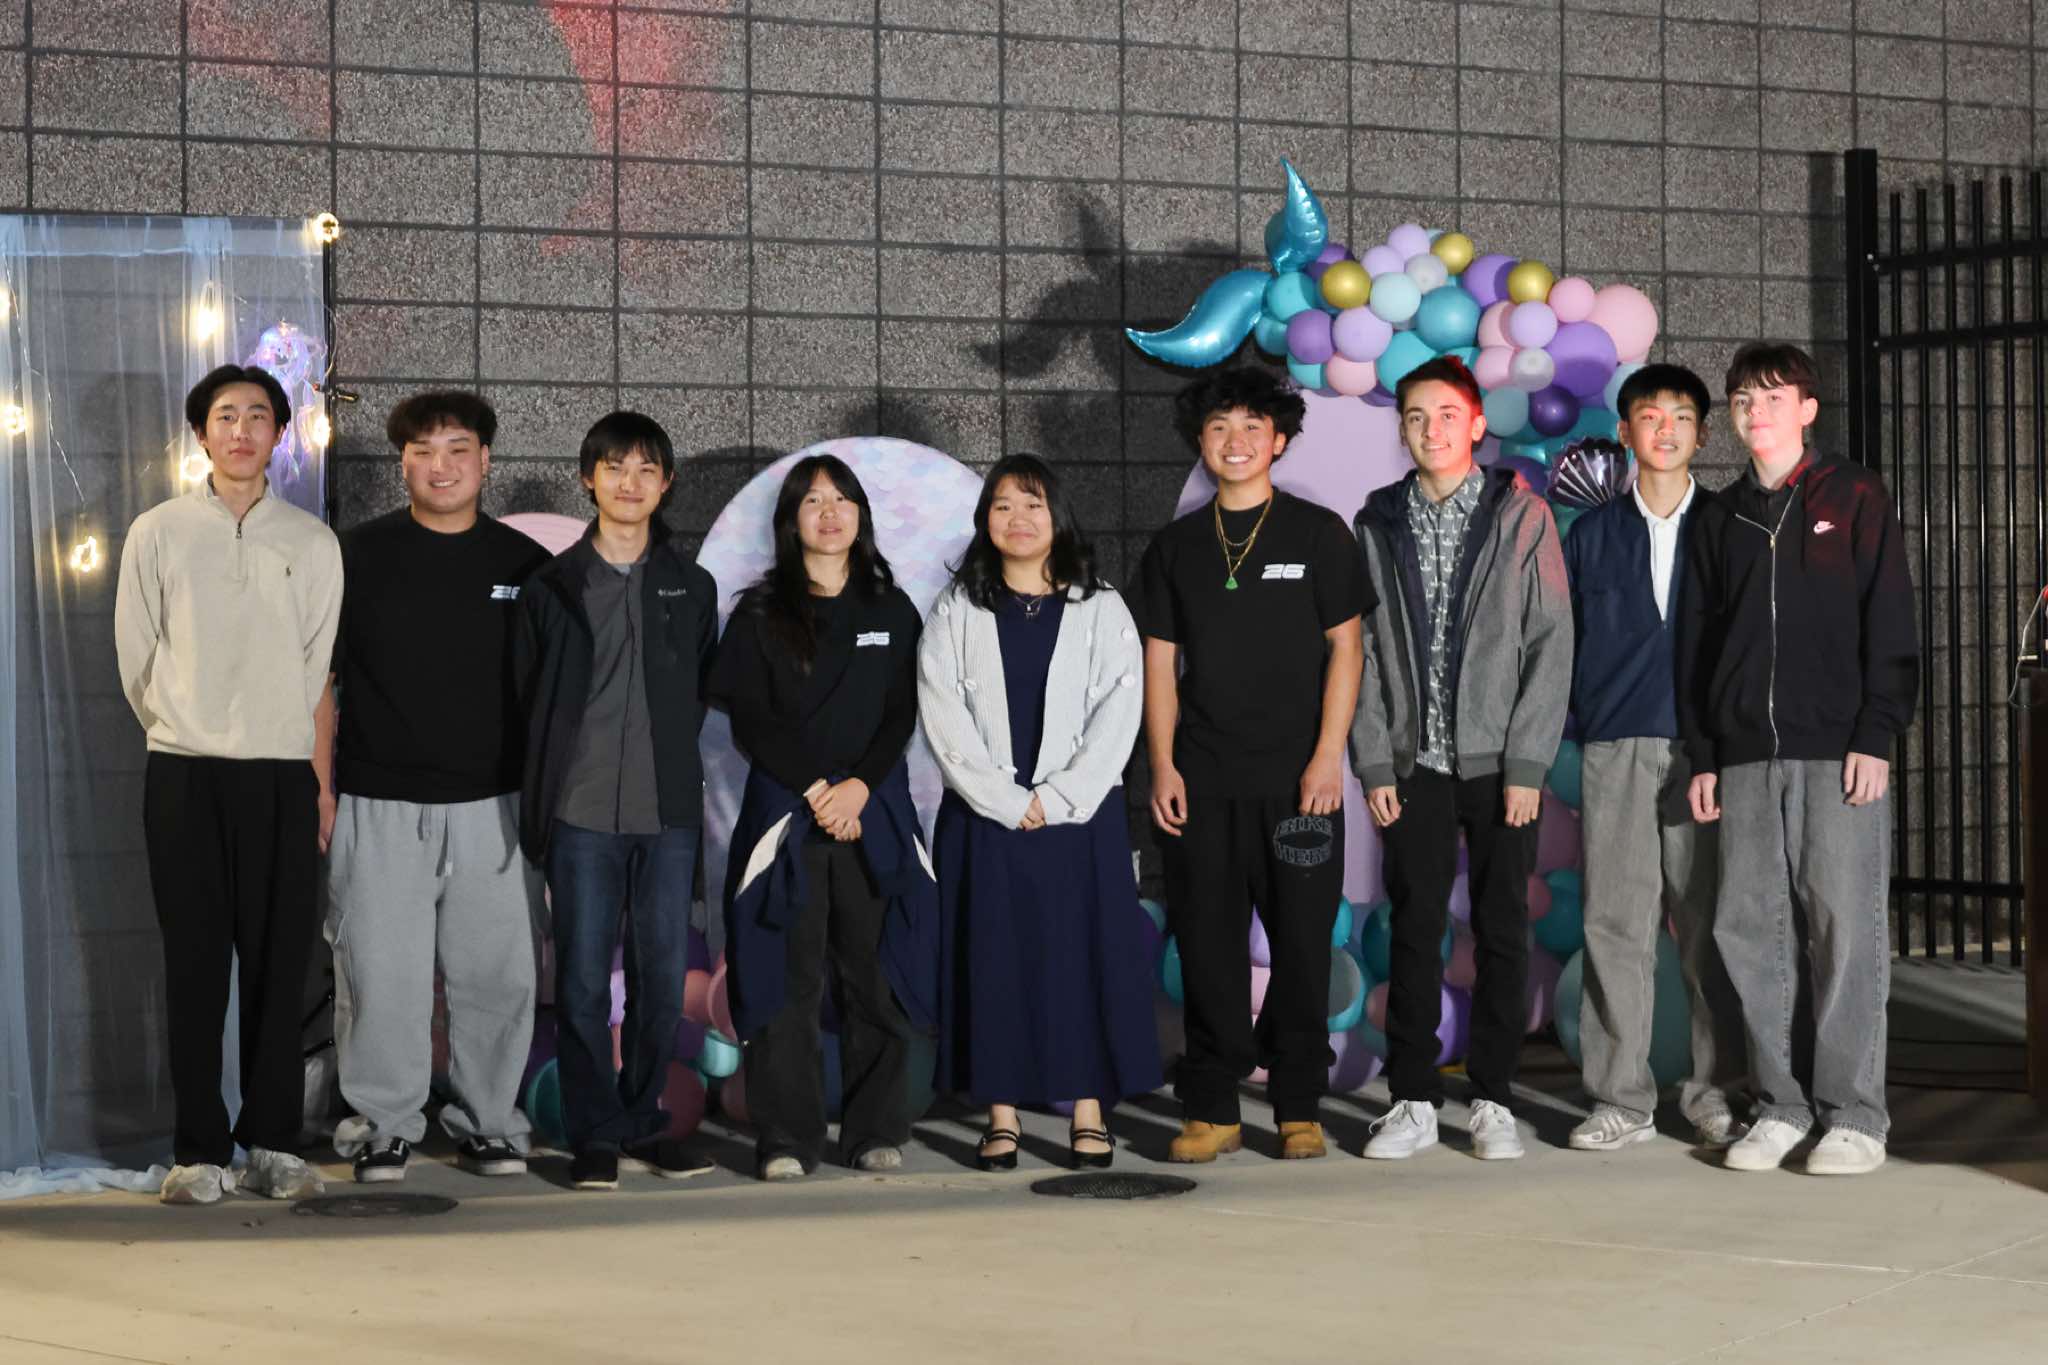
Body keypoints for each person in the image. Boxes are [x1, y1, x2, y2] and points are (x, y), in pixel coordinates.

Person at [1680, 342, 1918, 1176]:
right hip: (1744, 755)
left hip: (1838, 749)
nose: (1756, 413)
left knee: (1844, 929)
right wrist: (1704, 752)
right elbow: (1697, 645)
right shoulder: (1720, 517)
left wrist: (1876, 732)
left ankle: (1855, 1113)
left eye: (1773, 398)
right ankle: (1780, 1105)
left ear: (1808, 410)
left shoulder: (1854, 495)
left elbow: (1889, 617)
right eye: (1744, 400)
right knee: (1751, 931)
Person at [115, 364, 342, 1205]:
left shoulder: (312, 542)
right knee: (195, 964)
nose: (241, 430)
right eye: (224, 416)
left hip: (280, 777)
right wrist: (188, 723)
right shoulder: (158, 532)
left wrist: (304, 768)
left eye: (257, 416)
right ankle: (199, 1149)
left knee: (282, 966)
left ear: (279, 433)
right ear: (201, 433)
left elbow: (315, 667)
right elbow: (137, 658)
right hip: (183, 773)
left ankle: (273, 1143)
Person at [1135, 367, 1369, 1163]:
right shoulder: (1175, 548)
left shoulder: (1318, 533)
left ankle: (1298, 1103)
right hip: (1202, 781)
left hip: (1302, 785)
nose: (1235, 442)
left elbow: (1347, 649)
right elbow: (1159, 663)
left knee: (1302, 943)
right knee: (1207, 945)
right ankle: (1212, 1106)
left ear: (1279, 439)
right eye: (1218, 428)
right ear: (1200, 443)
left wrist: (1328, 757)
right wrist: (1162, 764)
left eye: (1251, 427)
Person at [319, 391, 550, 1183]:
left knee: (498, 976)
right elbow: (319, 683)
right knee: (380, 975)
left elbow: (550, 699)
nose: (440, 466)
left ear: (486, 460)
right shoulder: (356, 556)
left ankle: (489, 1121)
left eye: (457, 449)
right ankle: (383, 1124)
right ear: (402, 464)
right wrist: (322, 791)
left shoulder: (526, 565)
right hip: (379, 800)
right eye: (422, 451)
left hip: (497, 805)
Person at [1352, 354, 1572, 1162]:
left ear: (1477, 424)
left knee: (1501, 928)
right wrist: (1375, 762)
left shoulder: (1522, 515)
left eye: (1447, 414)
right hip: (1414, 765)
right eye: (1415, 416)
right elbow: (1362, 651)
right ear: (1402, 429)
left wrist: (1528, 765)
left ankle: (1492, 1098)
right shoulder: (1377, 521)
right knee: (1413, 927)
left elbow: (1551, 641)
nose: (1431, 429)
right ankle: (1411, 1098)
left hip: (1500, 765)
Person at [922, 455, 1162, 1170]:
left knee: (1082, 958)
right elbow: (941, 711)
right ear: (984, 521)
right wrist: (1006, 801)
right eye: (1003, 506)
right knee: (993, 960)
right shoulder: (957, 607)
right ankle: (1002, 1116)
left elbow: (1121, 712)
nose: (1018, 519)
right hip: (984, 820)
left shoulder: (1101, 606)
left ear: (1059, 516)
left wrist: (1056, 799)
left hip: (1080, 819)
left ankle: (1088, 1110)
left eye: (1033, 505)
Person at [710, 455, 933, 1181]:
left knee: (876, 977)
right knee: (785, 978)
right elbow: (752, 718)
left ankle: (875, 1130)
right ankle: (786, 1138)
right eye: (813, 501)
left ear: (860, 514)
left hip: (873, 811)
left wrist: (859, 789)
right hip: (788, 811)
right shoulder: (759, 612)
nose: (829, 512)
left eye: (842, 499)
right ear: (791, 520)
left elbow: (901, 712)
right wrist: (817, 790)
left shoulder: (891, 610)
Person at [513, 412, 718, 1191]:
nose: (629, 483)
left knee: (662, 979)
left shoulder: (691, 586)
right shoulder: (553, 587)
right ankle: (594, 1132)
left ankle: (641, 1120)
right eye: (614, 467)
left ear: (666, 484)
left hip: (667, 813)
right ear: (587, 477)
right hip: (580, 811)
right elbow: (528, 692)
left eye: (646, 469)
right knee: (581, 983)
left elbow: (696, 689)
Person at [1561, 367, 1748, 1152]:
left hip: (1706, 754)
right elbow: (1565, 643)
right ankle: (1621, 1098)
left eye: (1681, 417)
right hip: (1616, 745)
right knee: (1614, 921)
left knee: (1709, 922)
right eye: (1649, 415)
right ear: (1626, 432)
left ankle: (1715, 1089)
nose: (1665, 429)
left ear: (1702, 434)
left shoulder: (1730, 526)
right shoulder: (1590, 534)